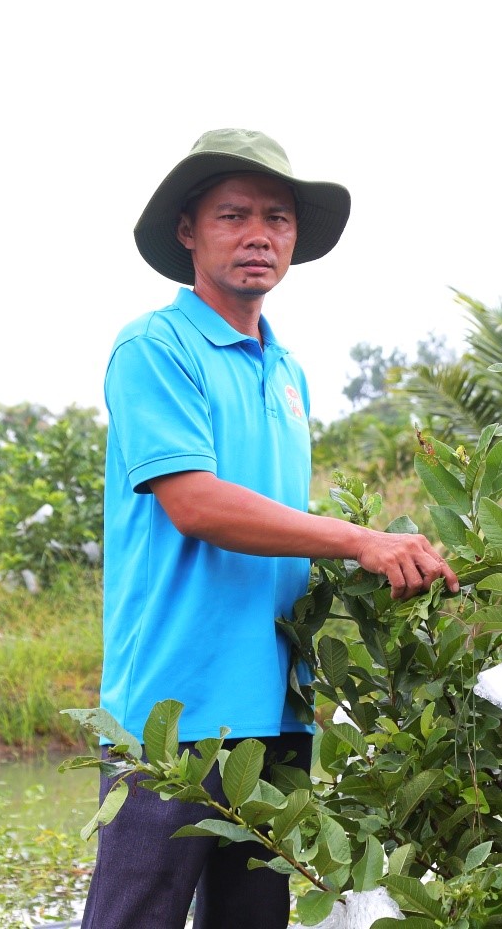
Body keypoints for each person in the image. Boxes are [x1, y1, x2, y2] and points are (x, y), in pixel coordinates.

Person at [80, 129, 459, 929]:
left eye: (277, 219)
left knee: (253, 920)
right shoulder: (156, 346)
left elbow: (278, 523)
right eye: (234, 215)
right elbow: (197, 504)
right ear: (188, 231)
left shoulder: (287, 373)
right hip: (172, 708)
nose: (259, 235)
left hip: (277, 705)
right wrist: (360, 539)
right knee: (134, 917)